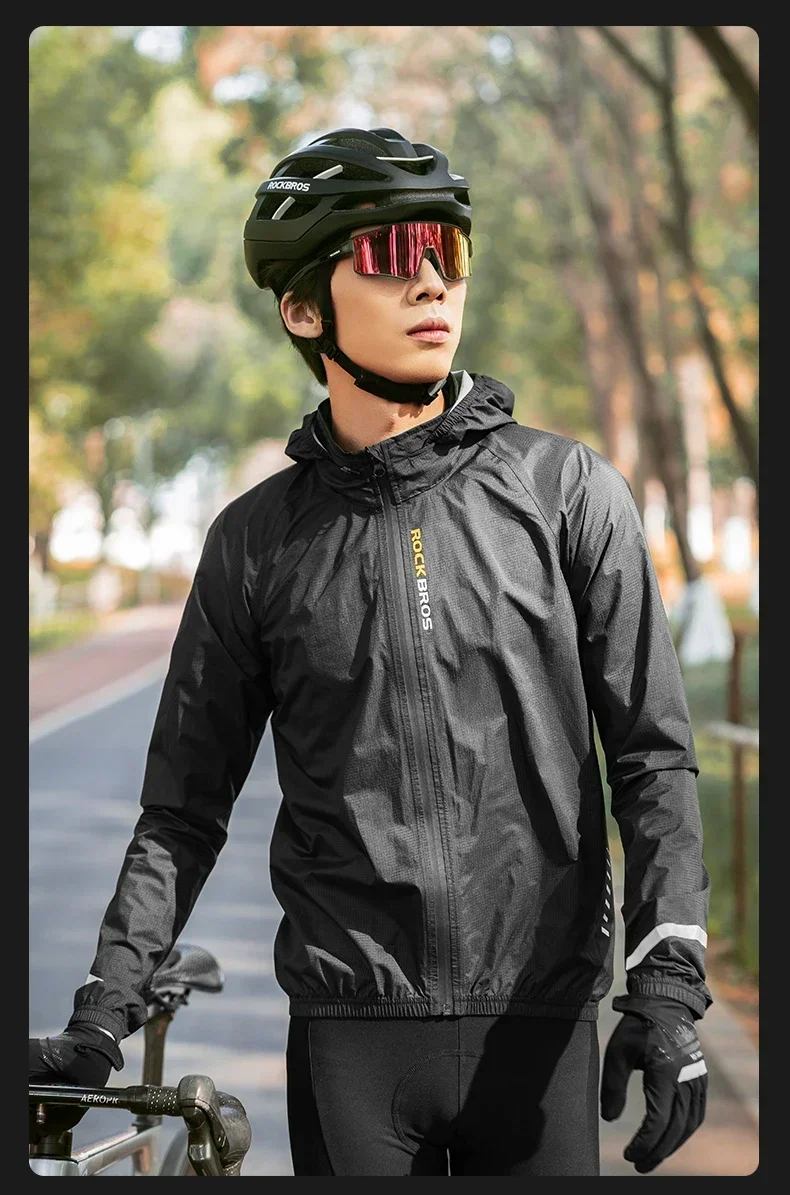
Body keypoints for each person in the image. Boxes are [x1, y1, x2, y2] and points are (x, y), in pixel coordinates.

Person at [30, 127, 712, 1176]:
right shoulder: (257, 542)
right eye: (393, 255)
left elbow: (652, 759)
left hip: (538, 1032)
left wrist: (666, 986)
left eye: (448, 250)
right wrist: (101, 1016)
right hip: (351, 1040)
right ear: (305, 310)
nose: (432, 281)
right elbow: (181, 813)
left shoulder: (567, 492)